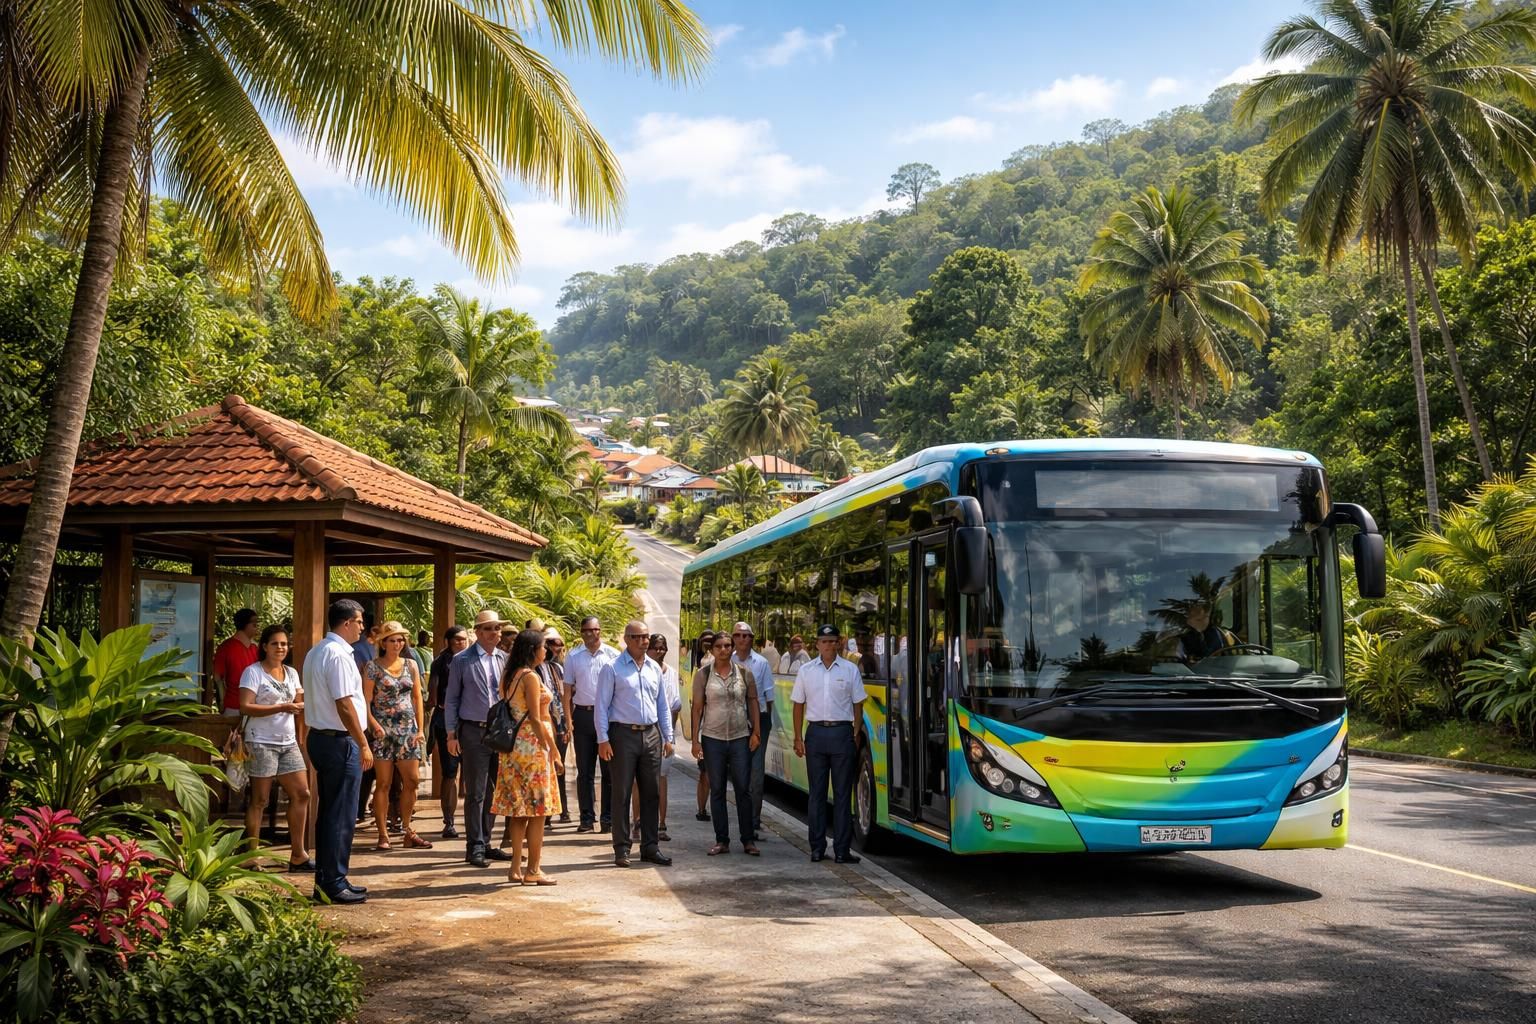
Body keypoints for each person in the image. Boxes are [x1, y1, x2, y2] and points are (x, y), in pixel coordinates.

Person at [302, 598, 373, 904]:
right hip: (339, 740)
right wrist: (363, 742)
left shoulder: (317, 651)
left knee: (331, 811)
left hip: (322, 737)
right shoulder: (338, 655)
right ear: (346, 623)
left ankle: (329, 878)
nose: (362, 626)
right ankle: (333, 881)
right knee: (341, 814)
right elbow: (344, 704)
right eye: (359, 621)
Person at [596, 620, 673, 868]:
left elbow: (662, 704)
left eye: (646, 636)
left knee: (652, 792)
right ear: (626, 639)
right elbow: (601, 706)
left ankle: (650, 847)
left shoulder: (653, 669)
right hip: (622, 735)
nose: (644, 641)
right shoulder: (613, 668)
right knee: (622, 792)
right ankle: (621, 848)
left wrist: (668, 736)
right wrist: (603, 739)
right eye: (638, 637)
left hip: (650, 734)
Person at [490, 629, 564, 885]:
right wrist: (552, 750)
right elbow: (535, 717)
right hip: (532, 747)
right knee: (537, 812)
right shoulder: (530, 677)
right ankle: (533, 869)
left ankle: (514, 868)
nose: (547, 651)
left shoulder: (509, 675)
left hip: (513, 749)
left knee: (519, 811)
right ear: (534, 649)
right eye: (544, 647)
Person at [792, 623, 868, 865]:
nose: (828, 645)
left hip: (841, 733)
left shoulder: (849, 670)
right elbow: (798, 704)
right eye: (824, 642)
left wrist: (855, 732)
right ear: (817, 644)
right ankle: (816, 847)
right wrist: (798, 736)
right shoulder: (806, 670)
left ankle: (842, 850)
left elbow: (858, 703)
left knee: (843, 794)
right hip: (815, 733)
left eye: (833, 641)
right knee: (816, 794)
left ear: (838, 643)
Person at [238, 625, 312, 871]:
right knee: (260, 799)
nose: (280, 647)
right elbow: (246, 706)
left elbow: (299, 703)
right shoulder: (253, 672)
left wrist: (301, 737)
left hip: (288, 742)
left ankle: (298, 854)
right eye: (275, 643)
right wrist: (281, 707)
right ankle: (251, 855)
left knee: (302, 793)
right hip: (261, 741)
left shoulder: (291, 673)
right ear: (264, 646)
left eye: (284, 644)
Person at [444, 609, 513, 868]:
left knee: (496, 791)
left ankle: (486, 841)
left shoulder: (504, 659)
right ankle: (474, 846)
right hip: (473, 730)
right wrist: (451, 733)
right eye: (489, 628)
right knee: (476, 791)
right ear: (478, 632)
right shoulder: (462, 660)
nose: (495, 633)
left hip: (499, 730)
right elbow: (451, 699)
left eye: (497, 628)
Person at [690, 631, 760, 856]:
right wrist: (695, 740)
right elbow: (697, 708)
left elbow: (753, 702)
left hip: (740, 736)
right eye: (719, 646)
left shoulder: (744, 673)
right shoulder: (703, 674)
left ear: (732, 648)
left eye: (728, 645)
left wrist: (756, 732)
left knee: (743, 789)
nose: (724, 649)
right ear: (712, 650)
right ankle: (722, 840)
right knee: (717, 789)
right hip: (713, 738)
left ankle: (748, 840)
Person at [364, 621, 431, 851]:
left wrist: (420, 729)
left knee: (412, 781)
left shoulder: (411, 665)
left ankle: (407, 828)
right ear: (383, 642)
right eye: (392, 639)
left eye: (400, 639)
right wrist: (373, 724)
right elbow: (365, 701)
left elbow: (417, 699)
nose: (397, 643)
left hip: (408, 731)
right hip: (383, 731)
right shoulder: (372, 667)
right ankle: (383, 834)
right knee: (383, 783)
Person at [565, 616, 618, 834]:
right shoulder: (573, 656)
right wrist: (568, 720)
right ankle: (587, 818)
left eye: (593, 630)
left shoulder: (613, 655)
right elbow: (567, 691)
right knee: (584, 771)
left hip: (607, 716)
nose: (589, 634)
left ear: (600, 631)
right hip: (583, 716)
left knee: (609, 771)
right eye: (585, 631)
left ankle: (607, 818)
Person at [631, 634, 682, 843]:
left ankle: (661, 824)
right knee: (638, 781)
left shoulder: (671, 674)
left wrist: (669, 736)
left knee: (661, 779)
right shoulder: (642, 670)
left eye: (662, 648)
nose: (659, 652)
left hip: (663, 733)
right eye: (655, 648)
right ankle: (637, 822)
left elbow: (675, 706)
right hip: (642, 731)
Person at [732, 621, 774, 842]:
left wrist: (765, 727)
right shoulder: (725, 661)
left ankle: (754, 821)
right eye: (738, 635)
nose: (742, 639)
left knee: (756, 773)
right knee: (738, 772)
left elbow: (768, 697)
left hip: (759, 721)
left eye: (746, 636)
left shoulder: (761, 663)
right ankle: (741, 820)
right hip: (734, 722)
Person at [427, 625, 469, 838]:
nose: (462, 643)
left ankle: (474, 823)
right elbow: (433, 693)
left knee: (473, 774)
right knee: (450, 773)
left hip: (470, 722)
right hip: (446, 721)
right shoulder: (441, 662)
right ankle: (449, 821)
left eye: (464, 639)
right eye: (457, 640)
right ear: (448, 642)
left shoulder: (473, 660)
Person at [541, 627, 571, 825]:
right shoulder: (535, 668)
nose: (557, 648)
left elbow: (564, 698)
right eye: (552, 643)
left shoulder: (559, 668)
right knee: (547, 768)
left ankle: (563, 809)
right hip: (544, 725)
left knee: (559, 768)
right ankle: (547, 813)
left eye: (559, 644)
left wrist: (568, 724)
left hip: (560, 725)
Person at [213, 608, 261, 716]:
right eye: (254, 624)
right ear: (245, 624)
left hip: (253, 705)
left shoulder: (255, 648)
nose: (257, 627)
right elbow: (218, 678)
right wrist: (222, 702)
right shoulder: (226, 647)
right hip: (233, 706)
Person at [692, 629, 716, 822]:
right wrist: (695, 739)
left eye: (711, 642)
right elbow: (697, 708)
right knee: (705, 772)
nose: (707, 645)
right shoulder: (701, 669)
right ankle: (702, 808)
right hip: (706, 728)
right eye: (705, 642)